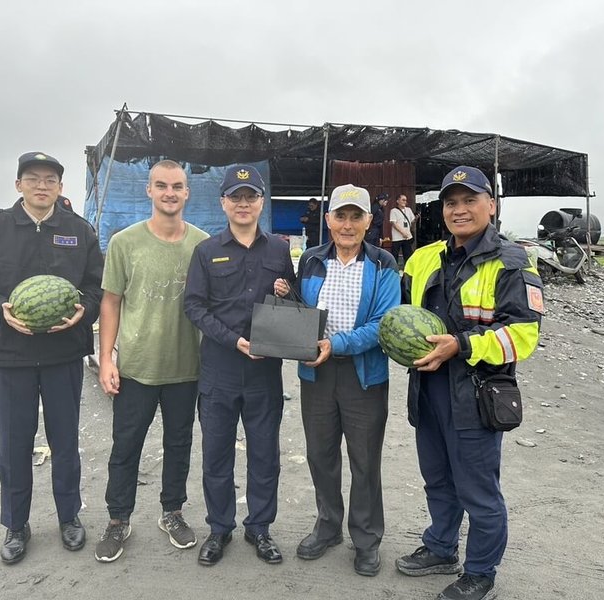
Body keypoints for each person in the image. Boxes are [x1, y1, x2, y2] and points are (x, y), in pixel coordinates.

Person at [0, 151, 104, 564]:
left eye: (50, 179)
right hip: (8, 354)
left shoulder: (79, 230)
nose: (42, 185)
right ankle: (16, 525)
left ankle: (69, 516)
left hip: (62, 354)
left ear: (60, 187)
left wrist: (84, 311)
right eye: (33, 178)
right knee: (14, 444)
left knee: (65, 441)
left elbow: (97, 285)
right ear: (18, 184)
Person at [396, 166, 543, 600]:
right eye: (450, 202)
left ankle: (481, 572)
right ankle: (441, 547)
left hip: (475, 392)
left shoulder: (512, 261)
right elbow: (400, 312)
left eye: (469, 200)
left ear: (490, 205)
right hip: (428, 389)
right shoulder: (423, 258)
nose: (459, 210)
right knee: (437, 478)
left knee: (477, 489)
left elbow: (523, 335)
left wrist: (459, 345)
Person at [93, 160, 209, 563]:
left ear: (187, 192)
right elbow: (110, 302)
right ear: (149, 190)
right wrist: (106, 359)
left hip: (185, 367)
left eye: (176, 186)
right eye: (161, 185)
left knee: (179, 443)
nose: (169, 193)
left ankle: (172, 512)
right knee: (126, 446)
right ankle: (118, 519)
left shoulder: (202, 245)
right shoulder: (124, 243)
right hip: (136, 368)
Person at [184, 164, 295, 567]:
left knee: (265, 455)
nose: (243, 204)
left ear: (262, 203)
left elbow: (294, 304)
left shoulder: (279, 250)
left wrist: (287, 291)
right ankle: (219, 528)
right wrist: (234, 341)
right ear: (224, 203)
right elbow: (194, 306)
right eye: (236, 197)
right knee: (216, 455)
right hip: (220, 370)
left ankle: (260, 528)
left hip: (265, 372)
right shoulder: (206, 251)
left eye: (251, 197)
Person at [291, 184, 400, 577]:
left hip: (363, 376)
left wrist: (335, 344)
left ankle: (366, 538)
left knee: (364, 460)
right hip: (316, 373)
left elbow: (383, 324)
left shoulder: (383, 263)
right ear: (329, 220)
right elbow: (300, 311)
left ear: (369, 221)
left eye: (356, 216)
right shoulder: (311, 259)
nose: (348, 225)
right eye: (341, 216)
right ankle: (328, 525)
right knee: (320, 454)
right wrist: (284, 295)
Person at [389, 194, 418, 267]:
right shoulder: (393, 211)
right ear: (398, 201)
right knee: (395, 254)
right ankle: (394, 269)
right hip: (397, 237)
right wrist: (402, 232)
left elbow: (412, 221)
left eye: (405, 200)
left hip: (407, 237)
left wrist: (416, 218)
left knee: (408, 254)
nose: (405, 201)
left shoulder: (408, 209)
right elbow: (394, 223)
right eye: (403, 200)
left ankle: (408, 269)